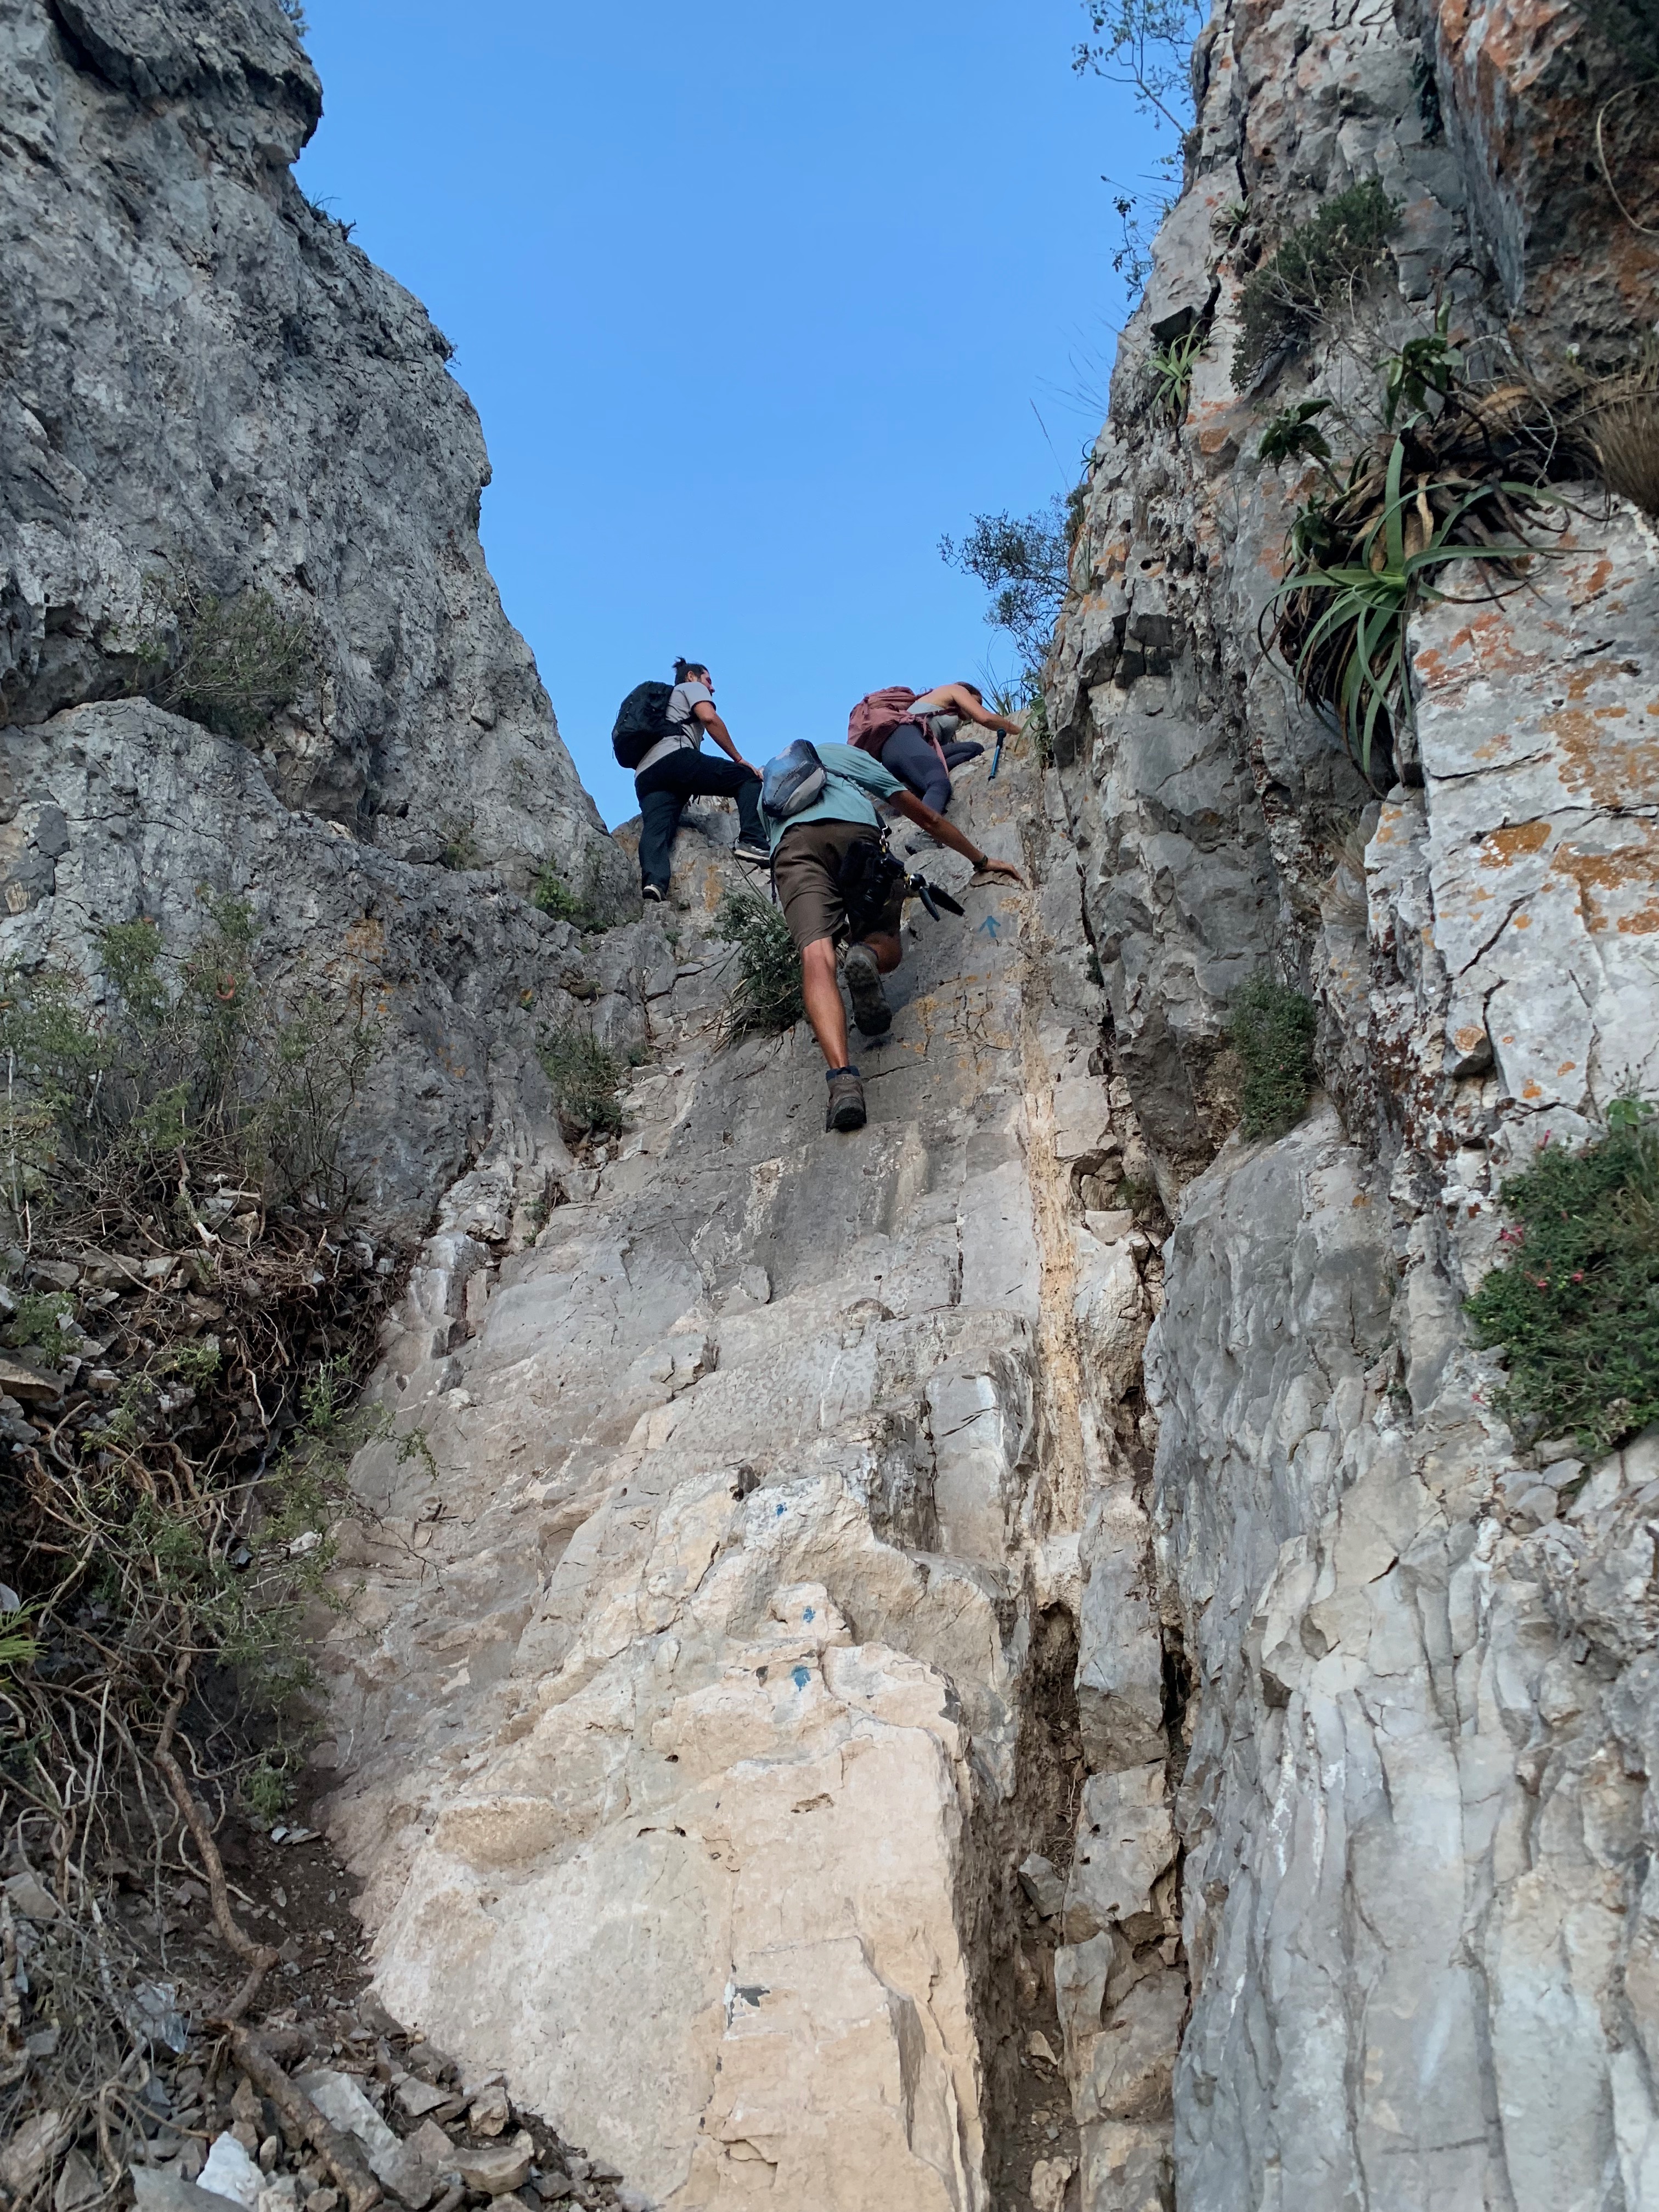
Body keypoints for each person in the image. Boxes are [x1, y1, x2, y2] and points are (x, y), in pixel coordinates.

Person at [764, 740, 1024, 1132]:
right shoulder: (844, 756)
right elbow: (927, 818)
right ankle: (866, 953)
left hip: (792, 847)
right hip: (855, 832)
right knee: (883, 941)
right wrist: (982, 860)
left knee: (816, 957)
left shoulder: (770, 786)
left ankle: (843, 1083)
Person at [636, 659, 771, 902]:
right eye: (709, 680)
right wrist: (739, 759)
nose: (712, 688)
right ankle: (752, 841)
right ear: (691, 676)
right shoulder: (689, 688)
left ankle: (654, 883)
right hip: (675, 759)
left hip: (646, 775)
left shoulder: (665, 705)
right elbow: (709, 719)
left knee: (657, 828)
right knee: (747, 779)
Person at [866, 683, 1023, 815]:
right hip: (904, 738)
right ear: (969, 693)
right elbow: (985, 718)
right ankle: (925, 835)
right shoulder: (955, 690)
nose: (975, 708)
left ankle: (914, 782)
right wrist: (1019, 731)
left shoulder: (943, 715)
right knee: (939, 784)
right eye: (976, 702)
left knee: (973, 749)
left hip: (894, 756)